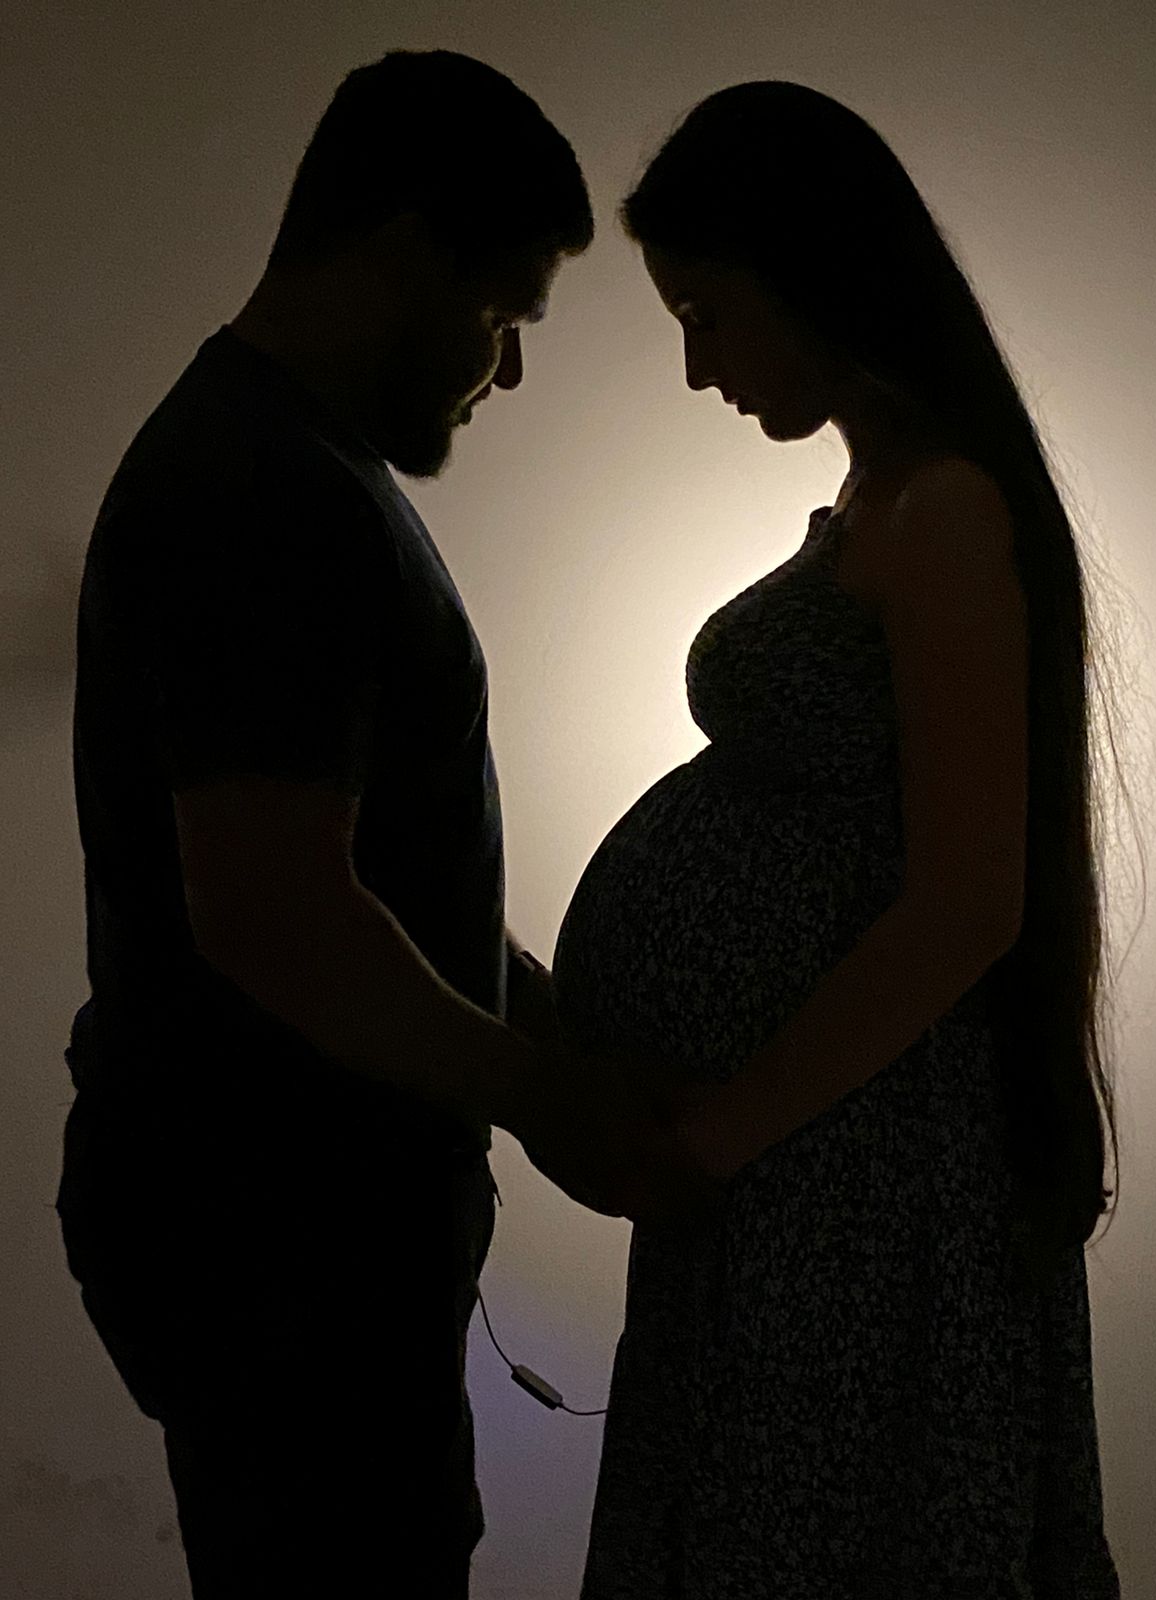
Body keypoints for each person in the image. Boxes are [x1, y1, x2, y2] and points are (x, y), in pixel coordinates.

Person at [55, 50, 720, 1600]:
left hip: (296, 1254)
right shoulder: (262, 498)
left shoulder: (293, 478)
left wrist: (568, 1049)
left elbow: (359, 883)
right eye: (503, 317)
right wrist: (545, 1097)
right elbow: (279, 913)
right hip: (280, 1260)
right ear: (403, 252)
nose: (504, 376)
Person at [550, 83, 1126, 1597]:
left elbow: (965, 905)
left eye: (712, 313)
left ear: (810, 272)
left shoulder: (946, 514)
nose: (697, 366)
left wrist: (726, 1131)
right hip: (807, 1183)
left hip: (865, 1196)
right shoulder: (882, 498)